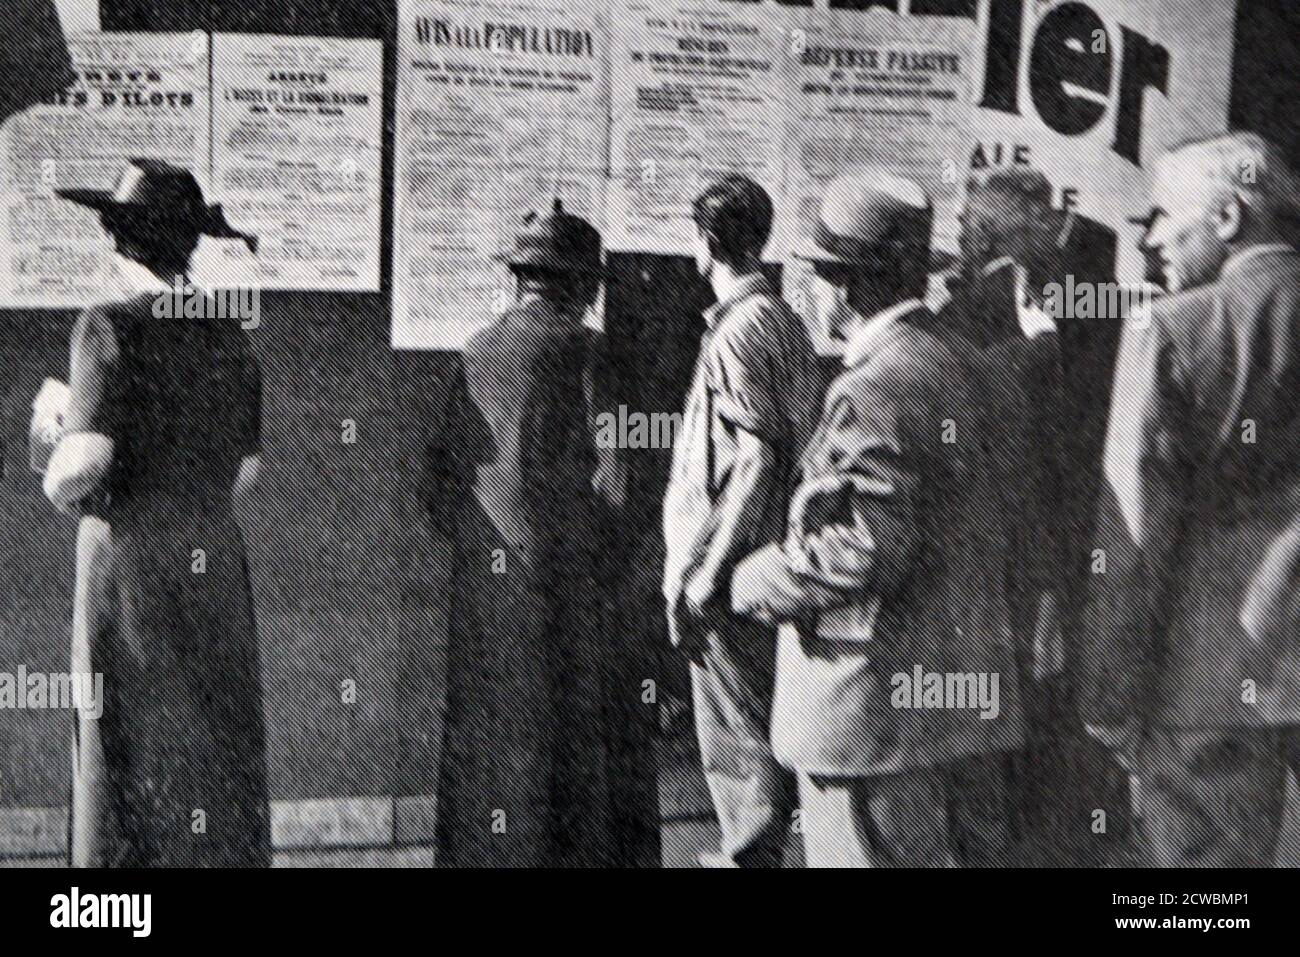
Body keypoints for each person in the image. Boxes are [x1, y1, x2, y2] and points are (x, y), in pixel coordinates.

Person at [730, 171, 1023, 867]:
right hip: (967, 713)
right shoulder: (981, 369)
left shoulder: (870, 389)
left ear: (846, 287)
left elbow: (864, 547)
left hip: (870, 721)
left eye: (822, 275)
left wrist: (757, 576)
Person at [1081, 131, 1300, 867]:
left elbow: (1132, 535)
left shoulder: (1173, 328)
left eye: (1164, 215)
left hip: (1210, 673)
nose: (1152, 241)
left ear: (1230, 217)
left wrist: (1110, 694)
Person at [47, 158, 268, 866]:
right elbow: (245, 472)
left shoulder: (106, 326)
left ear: (119, 240)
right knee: (211, 733)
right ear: (190, 246)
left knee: (126, 738)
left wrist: (54, 448)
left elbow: (82, 466)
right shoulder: (229, 334)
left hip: (130, 565)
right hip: (211, 560)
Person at [424, 200, 654, 867]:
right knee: (578, 752)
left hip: (488, 592)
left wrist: (483, 553)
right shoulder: (593, 354)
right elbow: (621, 479)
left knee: (492, 740)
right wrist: (607, 566)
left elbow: (437, 482)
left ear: (518, 280)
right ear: (585, 286)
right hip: (574, 591)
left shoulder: (472, 352)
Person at [662, 174, 823, 867]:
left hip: (730, 564)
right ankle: (755, 851)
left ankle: (748, 856)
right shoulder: (783, 319)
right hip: (767, 557)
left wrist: (705, 573)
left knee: (737, 733)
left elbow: (756, 458)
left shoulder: (737, 330)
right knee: (759, 720)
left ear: (705, 242)